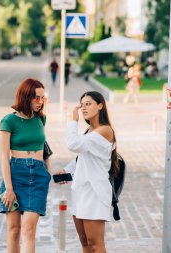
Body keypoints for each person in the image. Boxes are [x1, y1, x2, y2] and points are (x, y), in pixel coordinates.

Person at [54, 91, 118, 253]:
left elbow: (73, 144)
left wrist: (73, 121)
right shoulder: (89, 131)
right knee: (85, 243)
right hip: (80, 191)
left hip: (95, 192)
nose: (83, 108)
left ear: (100, 106)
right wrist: (66, 171)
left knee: (95, 244)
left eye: (88, 104)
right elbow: (82, 156)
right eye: (82, 104)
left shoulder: (105, 131)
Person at [0, 78, 52, 252]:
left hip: (37, 177)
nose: (40, 102)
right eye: (36, 98)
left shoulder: (40, 119)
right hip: (15, 175)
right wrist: (9, 189)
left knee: (29, 229)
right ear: (25, 97)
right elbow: (4, 157)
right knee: (14, 230)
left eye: (42, 98)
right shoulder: (8, 121)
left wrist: (48, 172)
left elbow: (44, 148)